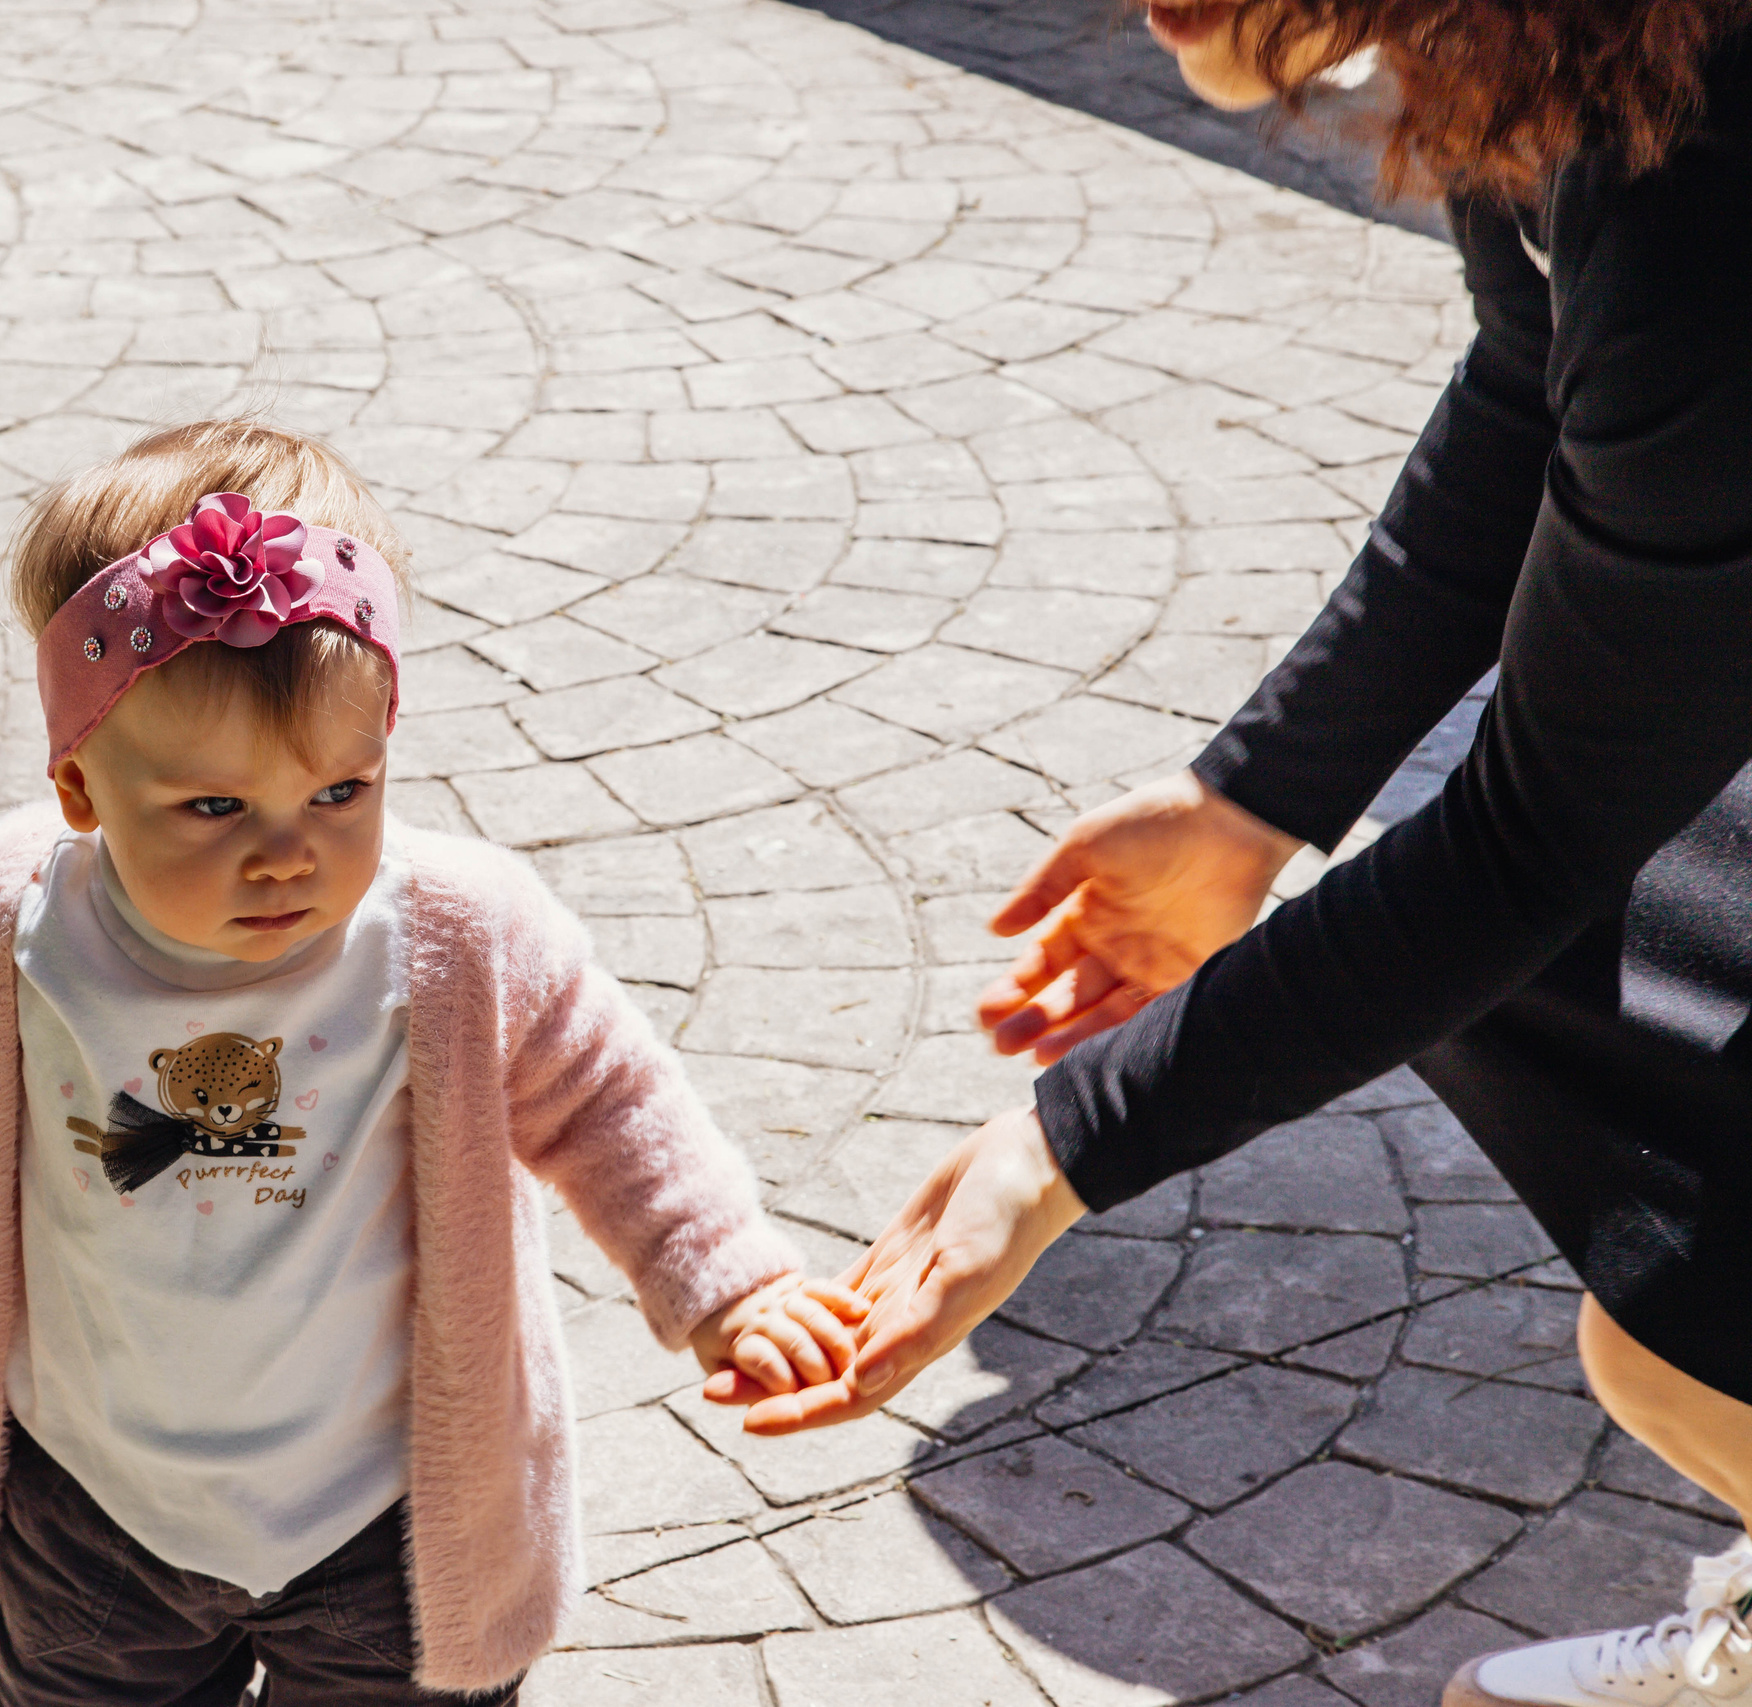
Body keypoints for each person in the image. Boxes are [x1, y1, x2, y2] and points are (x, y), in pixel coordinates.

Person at [706, 4, 1752, 1706]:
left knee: (1680, 1320)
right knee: (1537, 1003)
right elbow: (1532, 376)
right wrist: (1256, 801)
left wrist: (1061, 1144)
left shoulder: (1703, 173)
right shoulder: (1558, 44)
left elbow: (1534, 836)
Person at [0, 420, 865, 1707]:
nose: (285, 854)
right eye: (213, 808)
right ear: (80, 788)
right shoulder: (13, 916)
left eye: (340, 793)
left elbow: (608, 1100)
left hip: (387, 1521)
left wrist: (725, 1283)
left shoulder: (453, 937)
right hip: (95, 1503)